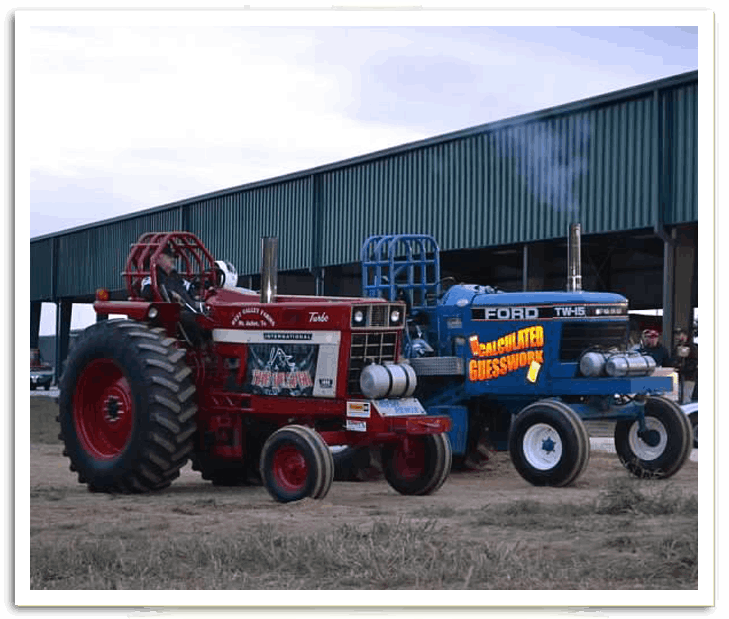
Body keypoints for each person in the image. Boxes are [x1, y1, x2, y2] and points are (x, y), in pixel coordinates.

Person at [140, 245, 204, 314]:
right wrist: (171, 294)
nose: (172, 259)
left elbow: (189, 287)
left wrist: (198, 287)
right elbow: (147, 292)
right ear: (158, 257)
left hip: (191, 311)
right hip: (174, 315)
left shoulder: (175, 276)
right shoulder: (152, 277)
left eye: (173, 257)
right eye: (169, 256)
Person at [670, 327, 698, 404]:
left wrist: (683, 369)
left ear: (685, 336)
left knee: (686, 399)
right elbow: (673, 359)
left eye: (679, 334)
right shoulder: (676, 347)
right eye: (677, 335)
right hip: (678, 377)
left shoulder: (692, 348)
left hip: (688, 377)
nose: (678, 337)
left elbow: (694, 363)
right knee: (677, 398)